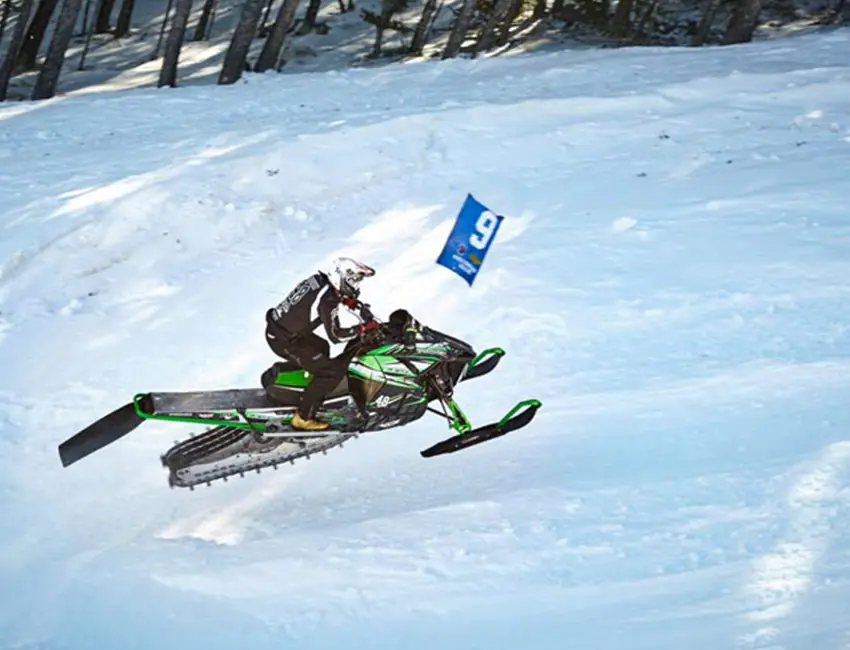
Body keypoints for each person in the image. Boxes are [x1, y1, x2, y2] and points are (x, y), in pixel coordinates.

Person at [264, 257, 380, 430]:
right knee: (330, 372)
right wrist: (363, 329)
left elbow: (322, 301)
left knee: (321, 348)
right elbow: (337, 335)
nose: (356, 284)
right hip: (284, 341)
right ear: (341, 277)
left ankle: (308, 391)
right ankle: (303, 417)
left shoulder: (318, 281)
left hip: (283, 331)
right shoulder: (327, 300)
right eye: (353, 280)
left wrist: (353, 305)